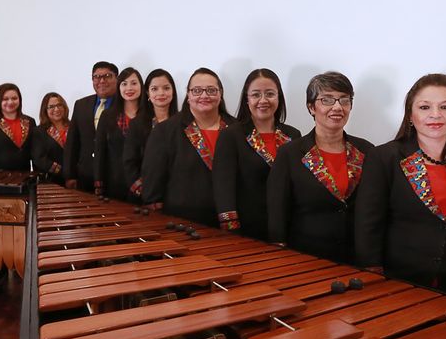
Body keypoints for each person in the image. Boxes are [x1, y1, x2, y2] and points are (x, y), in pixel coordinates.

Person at [355, 74, 446, 298]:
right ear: (410, 115)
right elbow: (368, 223)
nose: (435, 114)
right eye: (424, 107)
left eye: (445, 107)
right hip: (398, 280)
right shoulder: (384, 157)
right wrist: (372, 275)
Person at [267, 72, 373, 264]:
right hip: (305, 256)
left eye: (344, 100)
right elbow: (277, 210)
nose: (337, 107)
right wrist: (279, 253)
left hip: (355, 257)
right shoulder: (290, 153)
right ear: (311, 107)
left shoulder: (366, 150)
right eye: (327, 100)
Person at [212, 68, 301, 240]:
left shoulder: (293, 135)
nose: (263, 100)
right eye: (255, 95)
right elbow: (223, 187)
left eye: (270, 94)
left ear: (279, 97)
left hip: (288, 227)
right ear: (247, 99)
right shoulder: (231, 135)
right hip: (246, 230)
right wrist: (231, 230)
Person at [141, 68, 235, 226]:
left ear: (220, 93)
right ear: (188, 95)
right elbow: (152, 187)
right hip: (181, 224)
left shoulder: (237, 130)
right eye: (197, 90)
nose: (204, 96)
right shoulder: (164, 131)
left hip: (231, 224)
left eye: (211, 90)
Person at [123, 68, 178, 199]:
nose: (161, 93)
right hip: (146, 193)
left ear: (173, 91)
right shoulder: (137, 124)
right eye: (154, 89)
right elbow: (130, 162)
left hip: (178, 193)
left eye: (166, 88)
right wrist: (144, 191)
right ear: (147, 93)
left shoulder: (183, 123)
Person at [64, 61, 118, 191]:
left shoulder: (125, 105)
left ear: (117, 78)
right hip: (85, 174)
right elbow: (72, 142)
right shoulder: (81, 105)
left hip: (115, 176)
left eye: (107, 76)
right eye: (97, 77)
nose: (102, 80)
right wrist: (70, 175)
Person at [94, 67, 143, 200]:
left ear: (141, 86)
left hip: (143, 184)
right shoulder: (107, 115)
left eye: (134, 83)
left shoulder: (149, 116)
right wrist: (98, 182)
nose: (129, 88)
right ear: (118, 87)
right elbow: (100, 151)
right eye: (124, 84)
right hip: (114, 182)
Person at [0, 83, 35, 172]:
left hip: (25, 174)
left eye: (14, 98)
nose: (10, 102)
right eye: (5, 99)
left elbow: (34, 151)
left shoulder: (30, 121)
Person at [32, 92, 70, 185]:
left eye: (59, 105)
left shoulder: (74, 127)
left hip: (76, 180)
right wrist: (64, 172)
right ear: (45, 110)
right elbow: (39, 159)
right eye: (51, 107)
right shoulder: (38, 131)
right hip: (50, 181)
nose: (56, 109)